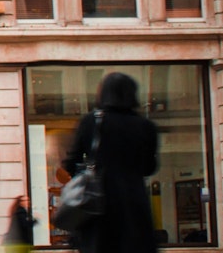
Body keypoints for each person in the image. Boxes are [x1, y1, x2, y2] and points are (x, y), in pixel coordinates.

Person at [61, 73, 159, 253]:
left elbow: (71, 162)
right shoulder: (146, 126)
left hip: (99, 205)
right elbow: (149, 167)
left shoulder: (92, 121)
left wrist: (87, 175)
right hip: (134, 204)